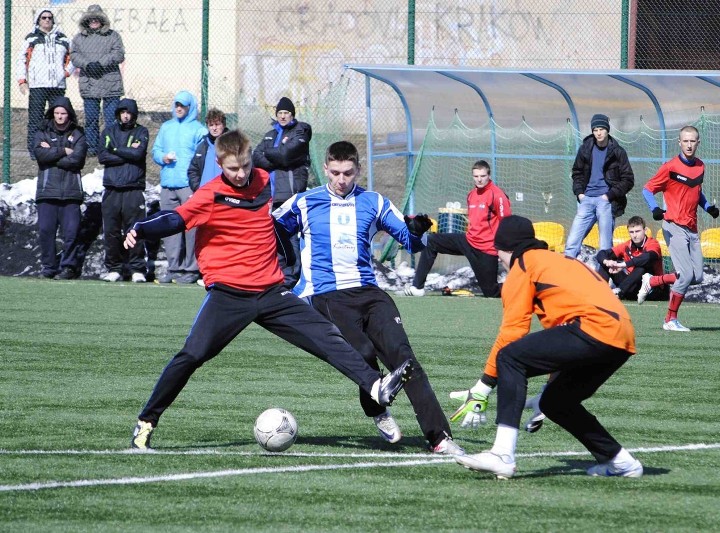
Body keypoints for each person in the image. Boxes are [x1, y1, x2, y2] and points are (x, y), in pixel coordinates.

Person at [123, 130, 412, 450]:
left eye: (245, 165)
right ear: (220, 164)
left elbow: (275, 208)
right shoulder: (211, 195)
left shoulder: (262, 180)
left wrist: (301, 139)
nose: (241, 173)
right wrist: (141, 228)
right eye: (233, 168)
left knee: (326, 336)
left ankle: (375, 387)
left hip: (272, 292)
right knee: (192, 354)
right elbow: (174, 221)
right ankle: (147, 420)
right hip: (229, 295)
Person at [272, 141, 464, 455]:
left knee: (406, 362)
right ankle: (377, 409)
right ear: (325, 169)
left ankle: (441, 439)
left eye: (348, 173)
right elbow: (273, 228)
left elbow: (409, 241)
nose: (341, 179)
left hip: (370, 293)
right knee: (361, 354)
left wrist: (415, 230)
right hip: (327, 295)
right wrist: (287, 268)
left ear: (358, 170)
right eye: (335, 172)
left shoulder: (374, 202)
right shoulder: (304, 202)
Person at [452, 215, 642, 479]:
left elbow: (513, 332)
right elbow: (563, 335)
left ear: (508, 250)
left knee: (509, 358)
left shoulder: (524, 264)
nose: (500, 262)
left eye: (499, 255)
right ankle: (622, 462)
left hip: (593, 328)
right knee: (556, 401)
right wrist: (548, 387)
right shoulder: (557, 260)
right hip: (621, 336)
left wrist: (482, 387)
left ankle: (502, 454)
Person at [641, 126, 719, 332]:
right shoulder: (670, 167)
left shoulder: (701, 166)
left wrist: (708, 207)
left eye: (693, 141)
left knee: (697, 276)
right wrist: (655, 208)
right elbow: (647, 189)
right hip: (673, 225)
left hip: (692, 228)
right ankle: (670, 320)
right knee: (685, 275)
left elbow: (696, 191)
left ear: (698, 143)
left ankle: (653, 281)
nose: (689, 145)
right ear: (679, 142)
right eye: (685, 141)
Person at [398, 160, 511, 297]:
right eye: (476, 176)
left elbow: (507, 223)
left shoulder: (497, 195)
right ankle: (417, 287)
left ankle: (522, 288)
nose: (479, 179)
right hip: (468, 241)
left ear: (489, 175)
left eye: (482, 176)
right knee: (431, 241)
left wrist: (503, 249)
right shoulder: (471, 195)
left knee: (491, 292)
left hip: (486, 249)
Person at [252, 96, 313, 289]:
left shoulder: (300, 131)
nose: (283, 116)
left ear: (292, 114)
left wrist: (274, 154)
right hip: (271, 193)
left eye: (286, 113)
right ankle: (277, 273)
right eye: (280, 113)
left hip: (290, 194)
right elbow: (255, 156)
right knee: (273, 235)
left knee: (290, 236)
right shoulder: (270, 134)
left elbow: (288, 154)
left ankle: (291, 276)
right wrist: (278, 155)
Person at [151, 90, 207, 284]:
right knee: (169, 228)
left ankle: (191, 269)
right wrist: (162, 157)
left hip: (188, 186)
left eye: (183, 105)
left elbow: (203, 157)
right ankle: (174, 267)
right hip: (168, 184)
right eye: (177, 105)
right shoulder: (166, 127)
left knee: (191, 228)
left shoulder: (199, 130)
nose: (179, 108)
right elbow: (156, 150)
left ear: (190, 107)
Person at [563, 114, 634, 258]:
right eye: (595, 130)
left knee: (605, 247)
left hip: (606, 202)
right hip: (587, 199)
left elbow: (628, 179)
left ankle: (606, 279)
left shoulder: (617, 152)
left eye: (601, 129)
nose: (598, 133)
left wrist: (609, 196)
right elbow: (576, 172)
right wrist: (580, 193)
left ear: (607, 130)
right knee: (572, 243)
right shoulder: (585, 148)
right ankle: (566, 275)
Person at [32, 96, 87, 279]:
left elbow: (77, 161)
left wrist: (52, 155)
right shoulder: (42, 132)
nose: (60, 117)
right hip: (47, 192)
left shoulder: (78, 134)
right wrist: (63, 150)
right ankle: (49, 267)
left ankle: (68, 267)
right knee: (46, 231)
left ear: (69, 114)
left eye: (63, 113)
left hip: (71, 193)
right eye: (56, 113)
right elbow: (40, 155)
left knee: (71, 232)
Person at [98, 98, 149, 282]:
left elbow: (138, 154)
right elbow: (103, 156)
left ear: (134, 115)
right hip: (112, 189)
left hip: (133, 189)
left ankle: (136, 269)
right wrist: (126, 152)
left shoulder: (141, 131)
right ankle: (114, 268)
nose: (126, 116)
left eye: (129, 113)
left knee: (134, 230)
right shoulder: (108, 131)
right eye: (123, 112)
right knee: (111, 230)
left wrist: (116, 149)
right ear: (118, 113)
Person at [16, 8, 73, 160]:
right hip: (37, 85)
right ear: (38, 20)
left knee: (58, 118)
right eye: (43, 18)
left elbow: (73, 57)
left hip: (57, 86)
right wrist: (22, 81)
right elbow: (21, 60)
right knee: (36, 119)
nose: (47, 20)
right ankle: (35, 149)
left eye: (49, 18)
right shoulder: (31, 39)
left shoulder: (63, 38)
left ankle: (56, 148)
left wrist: (65, 73)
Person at [70, 4, 125, 156]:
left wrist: (101, 63)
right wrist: (88, 64)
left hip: (110, 83)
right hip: (89, 83)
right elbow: (74, 56)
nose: (94, 21)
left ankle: (111, 146)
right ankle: (92, 147)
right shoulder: (79, 38)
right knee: (91, 119)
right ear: (86, 21)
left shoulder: (113, 36)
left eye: (97, 19)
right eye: (91, 19)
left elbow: (119, 54)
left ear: (102, 20)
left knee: (112, 119)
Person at [595, 215, 670, 300]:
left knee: (642, 267)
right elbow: (602, 253)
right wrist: (607, 262)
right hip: (632, 287)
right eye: (631, 232)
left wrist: (622, 265)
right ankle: (599, 293)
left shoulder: (653, 243)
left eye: (637, 231)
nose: (634, 235)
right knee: (607, 263)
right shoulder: (627, 245)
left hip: (653, 290)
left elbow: (646, 258)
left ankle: (619, 292)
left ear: (644, 230)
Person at [188, 108, 229, 192]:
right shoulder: (202, 146)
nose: (214, 128)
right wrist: (197, 187)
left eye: (217, 124)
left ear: (223, 125)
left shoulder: (232, 144)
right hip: (205, 194)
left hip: (224, 194)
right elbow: (193, 170)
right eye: (211, 125)